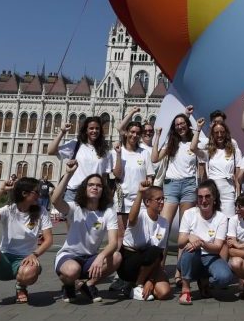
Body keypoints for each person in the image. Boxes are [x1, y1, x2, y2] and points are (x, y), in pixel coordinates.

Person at [0, 175, 54, 311]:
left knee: (29, 273)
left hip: (25, 260)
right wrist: (1, 190)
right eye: (36, 192)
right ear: (24, 193)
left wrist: (34, 254)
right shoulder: (9, 210)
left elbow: (48, 240)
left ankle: (21, 286)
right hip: (5, 259)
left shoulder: (41, 211)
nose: (40, 195)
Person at [51, 162, 121, 303]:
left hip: (91, 258)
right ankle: (69, 285)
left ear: (103, 190)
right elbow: (55, 200)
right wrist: (69, 174)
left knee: (117, 257)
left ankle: (88, 285)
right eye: (90, 184)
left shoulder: (108, 212)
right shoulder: (74, 208)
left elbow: (113, 242)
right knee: (72, 270)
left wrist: (100, 257)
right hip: (69, 256)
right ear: (85, 188)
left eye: (99, 185)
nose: (95, 187)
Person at [151, 112, 205, 249]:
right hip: (171, 185)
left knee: (184, 229)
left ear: (187, 125)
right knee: (164, 226)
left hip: (189, 186)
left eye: (182, 123)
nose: (180, 127)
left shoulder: (195, 142)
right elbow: (155, 159)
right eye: (177, 125)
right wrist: (157, 136)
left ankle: (180, 270)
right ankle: (159, 267)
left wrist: (198, 129)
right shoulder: (171, 143)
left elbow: (200, 165)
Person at [177, 180, 234, 304]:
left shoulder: (221, 217)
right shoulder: (189, 213)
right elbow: (180, 242)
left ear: (214, 198)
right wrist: (189, 237)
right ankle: (185, 290)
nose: (204, 200)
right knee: (190, 249)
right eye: (200, 197)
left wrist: (201, 242)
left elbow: (217, 247)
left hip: (211, 256)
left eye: (207, 196)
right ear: (197, 199)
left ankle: (205, 280)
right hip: (191, 257)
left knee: (225, 278)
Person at [118, 184, 173, 301]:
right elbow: (132, 219)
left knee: (164, 293)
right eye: (158, 199)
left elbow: (160, 255)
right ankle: (137, 284)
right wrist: (140, 193)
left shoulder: (164, 223)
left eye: (163, 199)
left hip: (149, 262)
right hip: (129, 262)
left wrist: (151, 280)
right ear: (147, 202)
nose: (162, 202)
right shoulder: (140, 216)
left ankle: (134, 287)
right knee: (153, 251)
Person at [47, 117, 115, 202]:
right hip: (74, 193)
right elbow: (51, 151)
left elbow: (104, 176)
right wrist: (62, 132)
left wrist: (105, 195)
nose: (94, 131)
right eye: (91, 128)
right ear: (86, 130)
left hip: (94, 194)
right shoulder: (76, 144)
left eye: (97, 128)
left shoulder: (105, 151)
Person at [203, 121, 241, 216]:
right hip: (212, 191)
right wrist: (199, 128)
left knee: (229, 219)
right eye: (216, 132)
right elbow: (193, 148)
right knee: (213, 221)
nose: (219, 135)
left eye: (222, 132)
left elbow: (237, 174)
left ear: (226, 133)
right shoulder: (208, 149)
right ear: (212, 134)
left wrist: (238, 196)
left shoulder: (233, 147)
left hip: (229, 190)